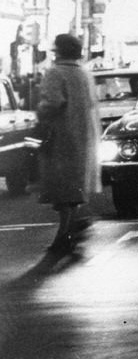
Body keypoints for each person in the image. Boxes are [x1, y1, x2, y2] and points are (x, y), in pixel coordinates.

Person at [36, 33, 101, 256]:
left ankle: (65, 233)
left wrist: (41, 112)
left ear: (58, 51)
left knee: (62, 189)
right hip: (84, 137)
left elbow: (53, 102)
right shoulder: (84, 74)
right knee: (74, 187)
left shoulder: (55, 73)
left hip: (61, 137)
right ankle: (71, 227)